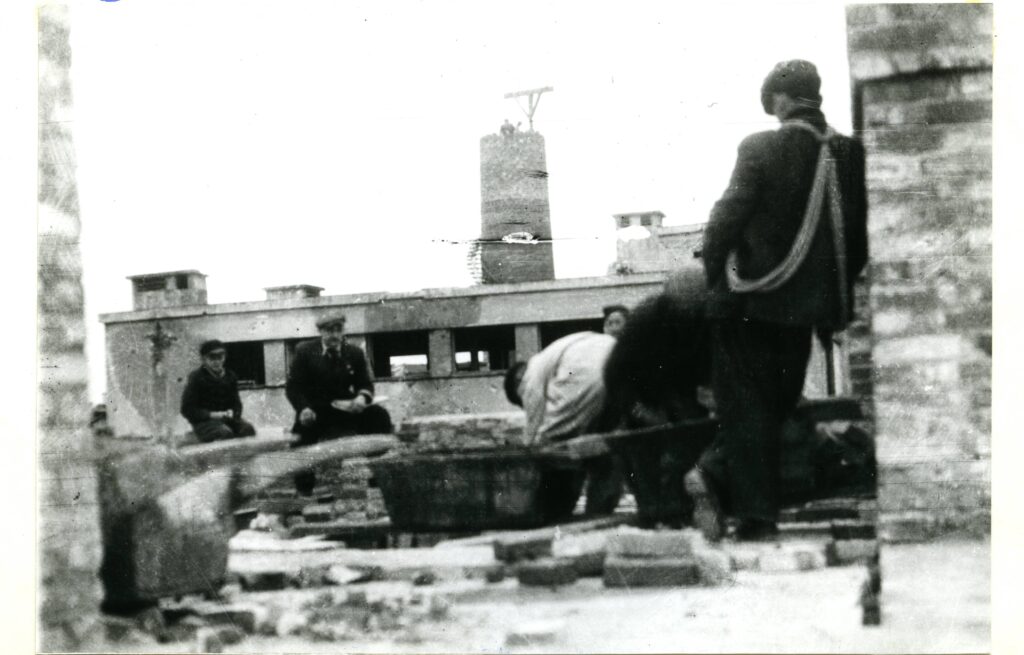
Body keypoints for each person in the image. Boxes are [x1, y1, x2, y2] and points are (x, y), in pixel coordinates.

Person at [686, 60, 868, 541]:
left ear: (782, 102)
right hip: (803, 314)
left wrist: (712, 283)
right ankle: (733, 494)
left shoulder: (761, 146)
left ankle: (750, 513)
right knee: (779, 405)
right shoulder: (850, 155)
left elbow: (725, 219)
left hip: (747, 306)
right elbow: (856, 240)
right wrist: (834, 304)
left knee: (746, 412)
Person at [503, 331, 623, 515]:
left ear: (518, 382)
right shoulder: (550, 358)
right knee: (608, 445)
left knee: (553, 445)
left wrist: (527, 447)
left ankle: (556, 511)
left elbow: (535, 430)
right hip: (618, 358)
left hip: (586, 372)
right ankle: (600, 511)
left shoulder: (529, 377)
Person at [286, 313, 393, 495]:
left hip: (345, 409)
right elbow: (293, 387)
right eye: (329, 331)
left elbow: (365, 384)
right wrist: (303, 409)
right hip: (315, 410)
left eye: (338, 330)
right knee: (300, 437)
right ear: (320, 331)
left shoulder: (354, 353)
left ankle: (379, 477)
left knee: (379, 416)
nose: (335, 335)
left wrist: (361, 398)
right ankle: (305, 491)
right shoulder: (305, 351)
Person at [180, 339, 257, 442]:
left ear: (224, 357)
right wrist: (211, 415)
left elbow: (236, 403)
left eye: (220, 357)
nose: (217, 361)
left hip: (226, 420)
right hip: (204, 422)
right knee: (224, 433)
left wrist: (234, 413)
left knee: (248, 430)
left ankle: (241, 458)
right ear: (204, 359)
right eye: (212, 358)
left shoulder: (230, 376)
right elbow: (187, 409)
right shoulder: (196, 378)